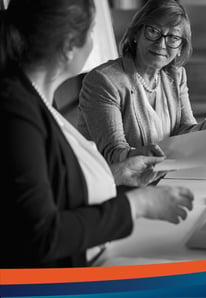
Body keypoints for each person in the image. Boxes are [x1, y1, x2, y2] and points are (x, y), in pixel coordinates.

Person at [0, 0, 193, 268]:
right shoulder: (16, 114)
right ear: (70, 45)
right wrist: (138, 204)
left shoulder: (35, 100)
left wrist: (119, 174)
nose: (93, 41)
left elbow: (56, 189)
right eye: (91, 33)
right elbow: (41, 236)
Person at [78, 0, 206, 164]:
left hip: (165, 172)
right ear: (136, 34)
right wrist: (140, 154)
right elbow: (114, 153)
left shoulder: (176, 75)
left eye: (173, 37)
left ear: (181, 47)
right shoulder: (104, 81)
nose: (161, 44)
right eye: (153, 31)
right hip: (119, 182)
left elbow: (184, 130)